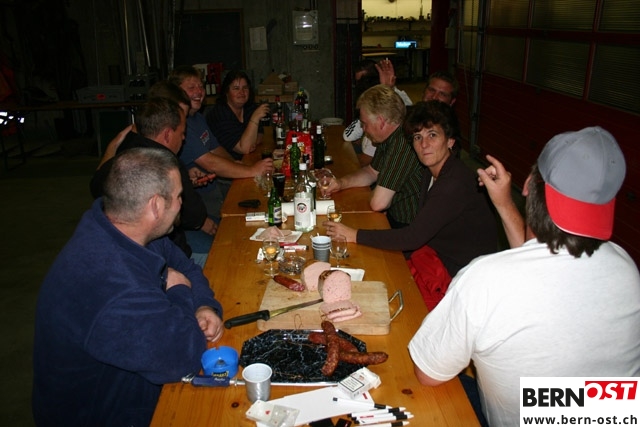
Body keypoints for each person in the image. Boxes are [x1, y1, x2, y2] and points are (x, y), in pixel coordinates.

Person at [408, 126, 640, 426]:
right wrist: (504, 203)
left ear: (528, 184)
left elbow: (428, 374)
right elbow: (538, 265)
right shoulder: (626, 268)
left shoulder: (485, 279)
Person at [33, 147, 224, 427]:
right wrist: (180, 292)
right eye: (178, 196)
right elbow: (184, 356)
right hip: (106, 415)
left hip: (135, 385)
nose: (182, 203)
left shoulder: (125, 228)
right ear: (155, 206)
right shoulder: (112, 284)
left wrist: (204, 305)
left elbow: (188, 268)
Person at [324, 101, 497, 308]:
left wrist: (354, 235)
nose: (424, 144)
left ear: (450, 140)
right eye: (417, 137)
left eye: (432, 135)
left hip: (462, 279)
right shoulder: (431, 172)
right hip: (437, 259)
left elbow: (413, 237)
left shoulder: (453, 183)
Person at [90, 96, 215, 263]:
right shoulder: (167, 164)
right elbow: (195, 216)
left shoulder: (124, 150)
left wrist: (111, 148)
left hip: (123, 253)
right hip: (167, 257)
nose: (183, 138)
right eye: (182, 133)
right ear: (167, 134)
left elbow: (96, 185)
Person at [168, 66, 273, 227]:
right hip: (197, 202)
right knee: (244, 221)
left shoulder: (198, 118)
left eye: (201, 86)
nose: (199, 91)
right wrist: (252, 170)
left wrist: (236, 164)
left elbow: (215, 148)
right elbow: (210, 162)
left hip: (212, 189)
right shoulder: (182, 124)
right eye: (191, 87)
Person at [325, 84, 424, 228]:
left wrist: (373, 193)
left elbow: (378, 203)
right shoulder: (389, 137)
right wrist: (340, 183)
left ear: (381, 122)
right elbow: (371, 172)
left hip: (408, 226)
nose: (364, 129)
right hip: (394, 218)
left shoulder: (402, 142)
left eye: (365, 124)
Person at [343, 59, 413, 167]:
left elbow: (365, 161)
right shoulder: (369, 103)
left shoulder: (397, 105)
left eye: (366, 81)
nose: (362, 86)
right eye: (358, 82)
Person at [205, 69, 269, 160]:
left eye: (245, 88)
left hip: (244, 159)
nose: (242, 92)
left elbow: (260, 133)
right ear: (226, 92)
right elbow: (244, 149)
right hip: (226, 164)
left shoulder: (249, 108)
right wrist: (254, 118)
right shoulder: (220, 115)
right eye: (236, 88)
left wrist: (251, 142)